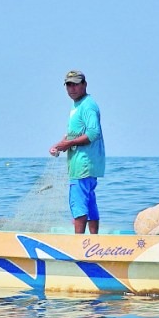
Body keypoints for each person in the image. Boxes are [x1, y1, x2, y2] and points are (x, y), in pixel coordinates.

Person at [49, 69, 106, 234]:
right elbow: (75, 135)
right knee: (89, 202)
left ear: (84, 85)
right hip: (85, 163)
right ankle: (93, 241)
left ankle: (79, 246)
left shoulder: (88, 106)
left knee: (78, 204)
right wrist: (59, 146)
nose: (72, 88)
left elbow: (93, 133)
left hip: (83, 164)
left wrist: (69, 144)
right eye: (69, 85)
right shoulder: (78, 105)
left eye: (75, 84)